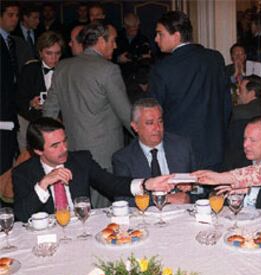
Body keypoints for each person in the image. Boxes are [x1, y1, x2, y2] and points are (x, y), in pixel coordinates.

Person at [12, 117, 174, 222]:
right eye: (55, 145)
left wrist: (146, 184)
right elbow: (21, 215)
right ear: (38, 150)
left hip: (83, 230)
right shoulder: (23, 173)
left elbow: (111, 183)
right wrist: (43, 184)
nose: (64, 149)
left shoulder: (80, 161)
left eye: (64, 141)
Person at [43, 23, 131, 208]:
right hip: (103, 154)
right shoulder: (108, 69)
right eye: (113, 41)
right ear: (100, 41)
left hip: (69, 152)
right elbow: (126, 114)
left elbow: (49, 113)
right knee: (102, 211)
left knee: (78, 206)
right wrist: (145, 137)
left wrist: (49, 150)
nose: (115, 46)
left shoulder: (62, 67)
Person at [148, 11, 231, 171]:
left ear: (176, 36)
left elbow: (153, 113)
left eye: (160, 34)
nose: (156, 39)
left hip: (179, 151)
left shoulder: (162, 69)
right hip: (214, 146)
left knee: (182, 195)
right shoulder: (215, 58)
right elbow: (226, 104)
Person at [112, 98, 197, 206]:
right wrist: (166, 199)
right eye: (150, 123)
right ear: (135, 126)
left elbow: (201, 189)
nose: (157, 128)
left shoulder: (182, 146)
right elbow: (122, 200)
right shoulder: (123, 158)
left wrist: (189, 195)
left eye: (160, 121)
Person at [16, 31, 65, 150]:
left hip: (60, 123)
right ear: (40, 53)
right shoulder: (30, 70)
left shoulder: (66, 70)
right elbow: (18, 98)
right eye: (49, 53)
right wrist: (30, 103)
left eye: (57, 53)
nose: (54, 58)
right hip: (32, 121)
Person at [0, 2, 32, 175]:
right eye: (10, 15)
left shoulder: (12, 41)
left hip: (12, 107)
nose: (14, 20)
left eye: (16, 15)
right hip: (3, 109)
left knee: (9, 157)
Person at [224, 75, 261, 166]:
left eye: (241, 90)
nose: (237, 93)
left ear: (252, 93)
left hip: (236, 158)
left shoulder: (237, 111)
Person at [114, 13, 151, 79]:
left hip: (137, 76)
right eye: (131, 29)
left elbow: (148, 58)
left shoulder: (143, 39)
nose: (134, 32)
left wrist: (141, 57)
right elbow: (107, 56)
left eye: (136, 29)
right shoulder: (116, 38)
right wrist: (118, 59)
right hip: (119, 74)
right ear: (125, 26)